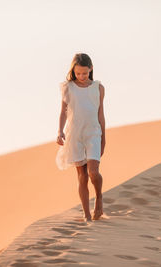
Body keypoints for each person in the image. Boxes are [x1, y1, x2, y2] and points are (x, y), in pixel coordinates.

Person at [56, 53, 106, 222]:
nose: (82, 77)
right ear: (73, 71)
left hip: (93, 133)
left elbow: (101, 114)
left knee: (93, 172)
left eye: (84, 73)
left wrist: (103, 137)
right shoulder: (68, 87)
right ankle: (86, 215)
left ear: (91, 69)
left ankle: (98, 198)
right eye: (78, 73)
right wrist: (59, 131)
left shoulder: (98, 88)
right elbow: (63, 111)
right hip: (75, 134)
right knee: (82, 176)